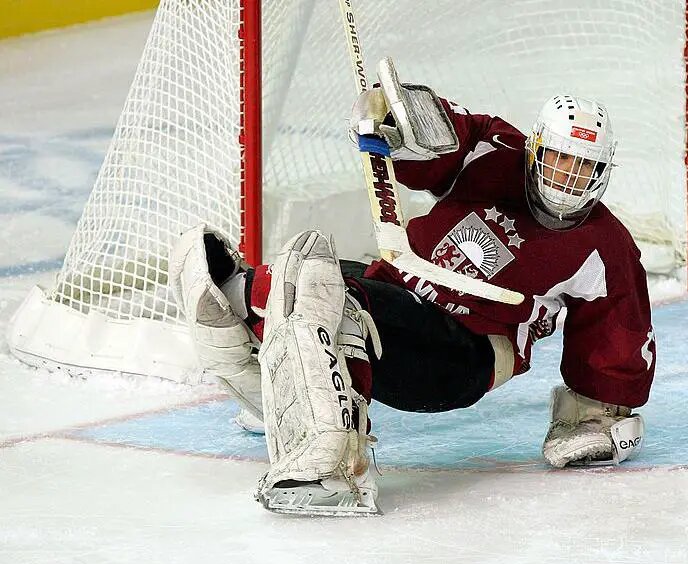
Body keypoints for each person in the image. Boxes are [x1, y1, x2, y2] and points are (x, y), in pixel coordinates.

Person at [170, 68, 656, 517]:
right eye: (558, 161)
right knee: (235, 282)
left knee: (322, 291)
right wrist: (393, 121)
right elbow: (443, 133)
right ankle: (280, 399)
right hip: (398, 297)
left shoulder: (604, 245)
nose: (567, 179)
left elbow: (618, 331)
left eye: (583, 167)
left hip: (464, 350)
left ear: (602, 173)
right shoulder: (496, 152)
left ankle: (339, 471)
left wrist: (599, 413)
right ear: (534, 150)